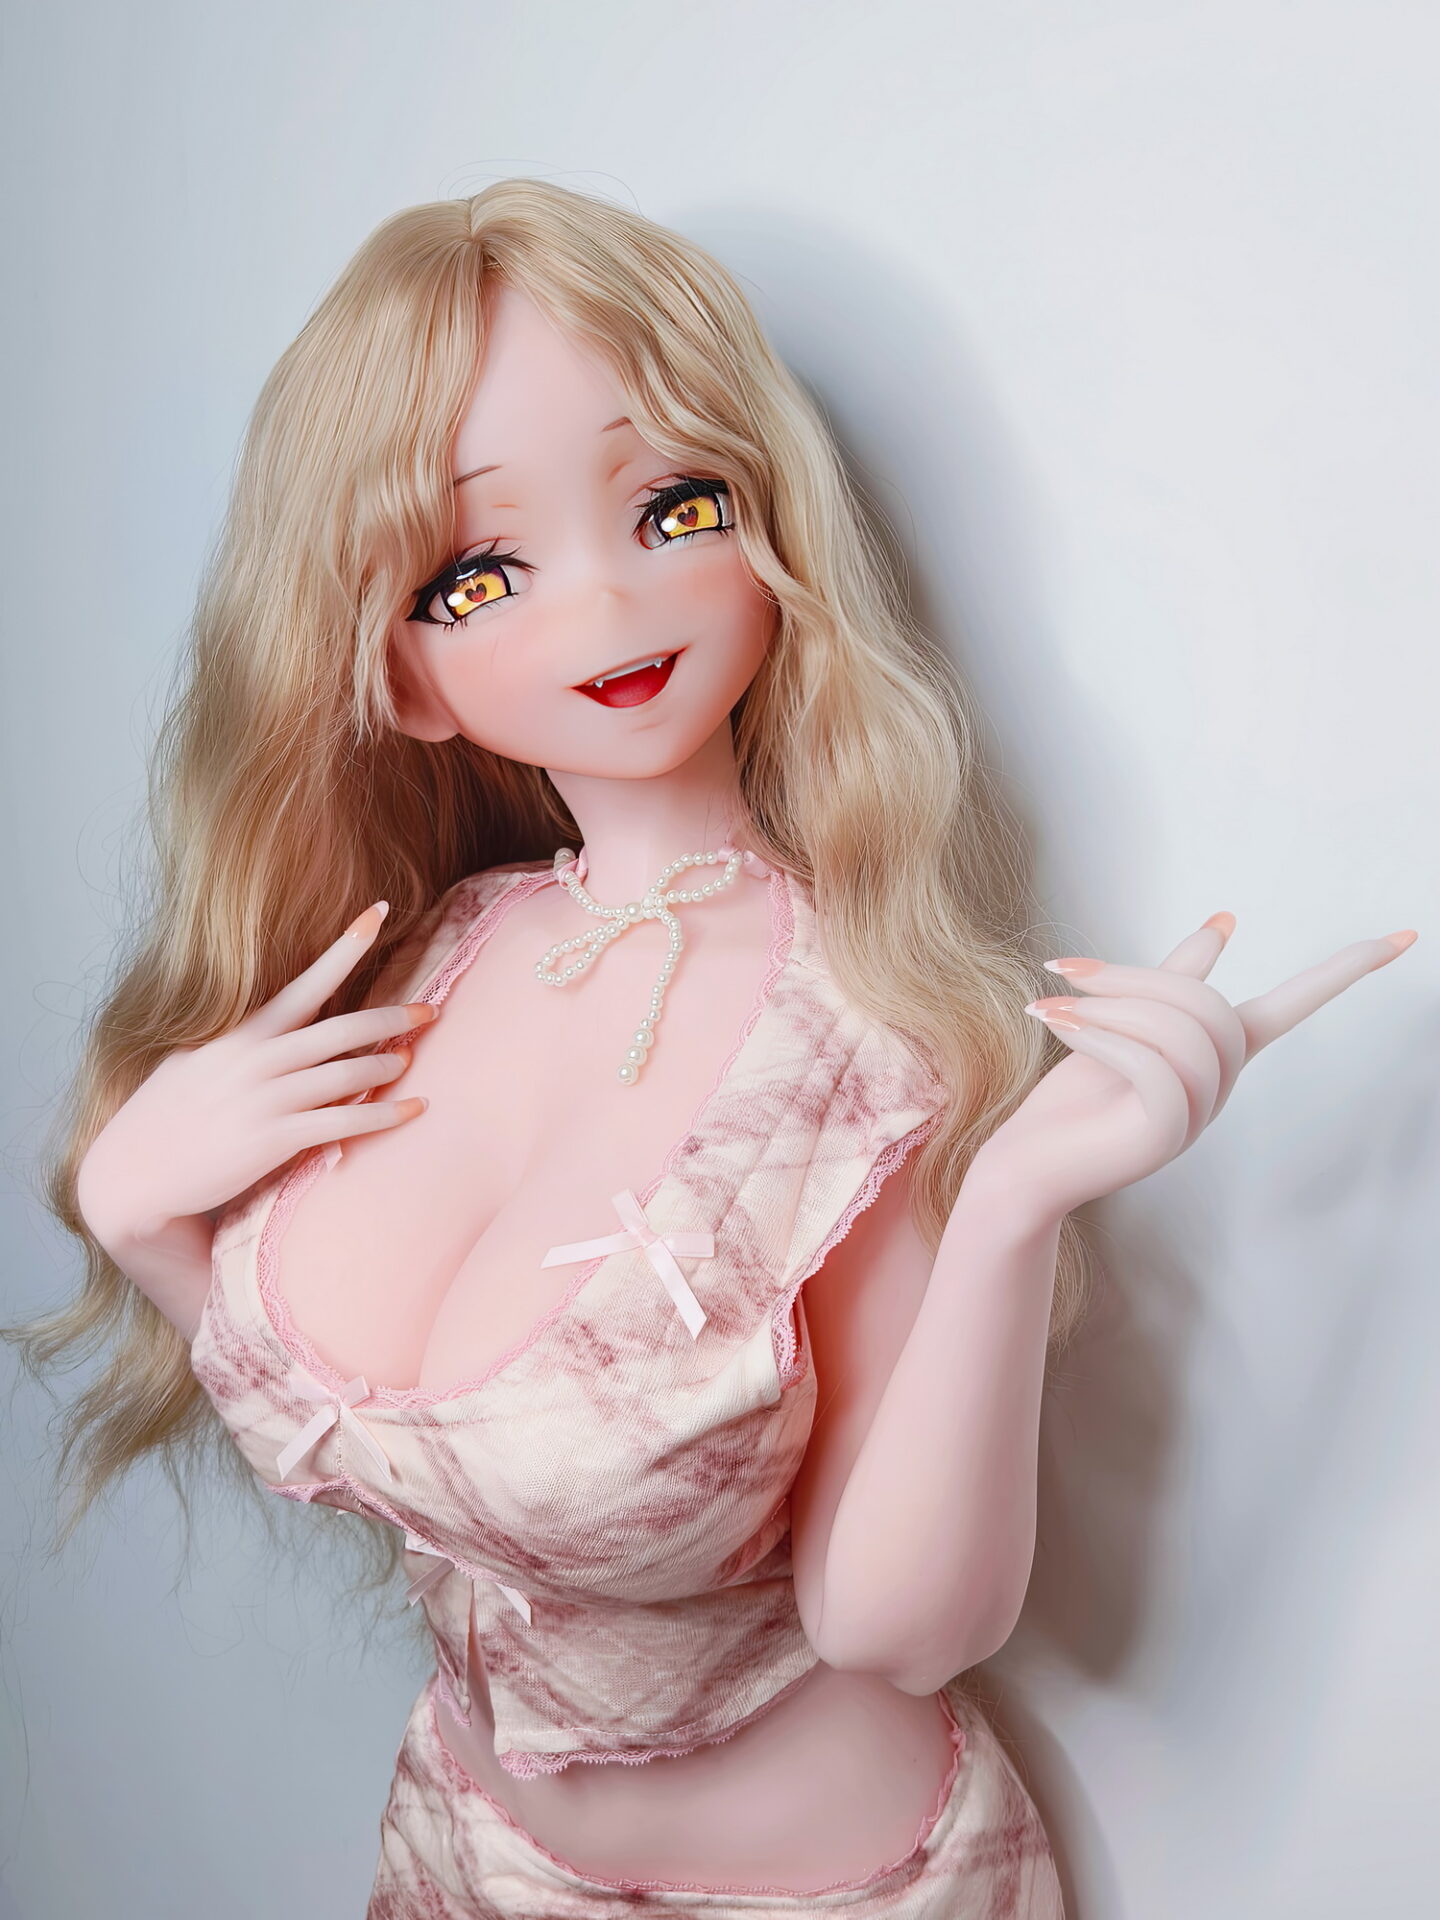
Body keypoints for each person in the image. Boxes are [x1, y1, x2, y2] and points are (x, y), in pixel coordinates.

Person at [11, 179, 1414, 1917]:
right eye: (479, 574)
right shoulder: (435, 959)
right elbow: (358, 1445)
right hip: (454, 1848)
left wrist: (1011, 1208)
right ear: (400, 677)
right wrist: (141, 1215)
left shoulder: (862, 1021)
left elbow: (899, 1631)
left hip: (826, 1888)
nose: (605, 602)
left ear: (776, 535)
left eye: (676, 506)